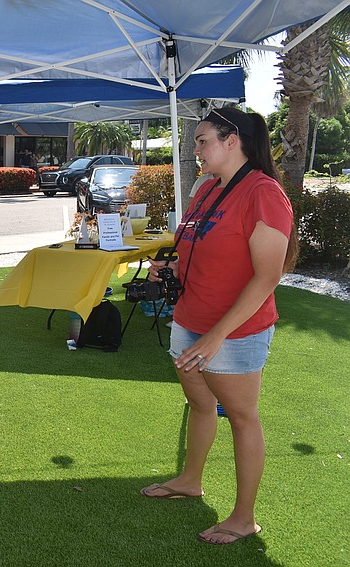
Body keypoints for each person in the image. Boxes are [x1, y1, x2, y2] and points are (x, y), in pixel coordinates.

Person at [140, 107, 297, 545]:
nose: (196, 149)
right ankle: (191, 479)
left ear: (233, 141)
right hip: (190, 320)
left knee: (243, 418)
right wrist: (165, 270)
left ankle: (244, 518)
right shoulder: (207, 190)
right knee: (200, 404)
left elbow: (267, 276)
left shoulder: (263, 193)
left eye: (203, 140)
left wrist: (217, 335)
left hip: (233, 333)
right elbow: (196, 248)